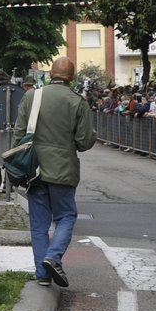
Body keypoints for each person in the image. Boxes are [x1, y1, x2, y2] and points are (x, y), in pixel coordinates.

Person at [16, 56, 96, 288]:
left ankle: (42, 273)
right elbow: (84, 142)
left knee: (39, 224)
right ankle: (54, 256)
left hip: (34, 169)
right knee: (66, 216)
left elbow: (20, 133)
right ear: (72, 77)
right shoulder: (77, 102)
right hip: (62, 169)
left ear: (50, 74)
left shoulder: (32, 96)